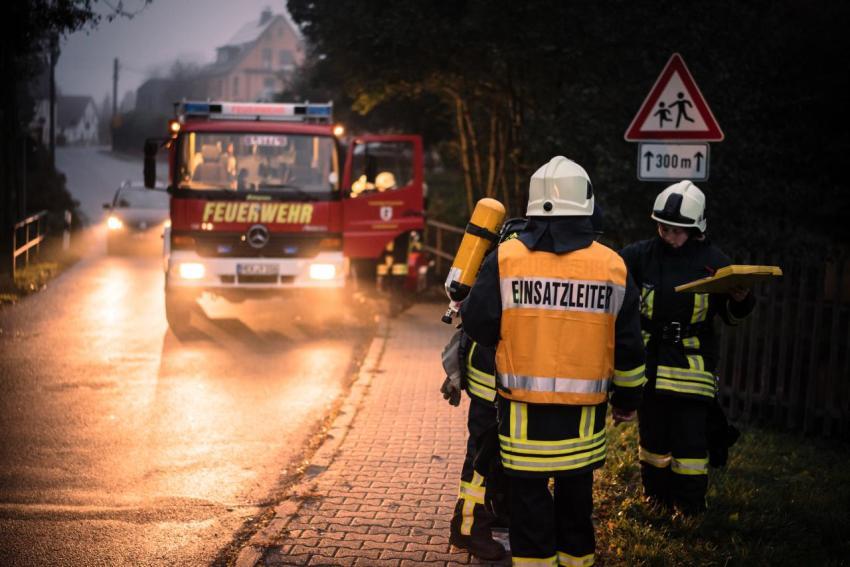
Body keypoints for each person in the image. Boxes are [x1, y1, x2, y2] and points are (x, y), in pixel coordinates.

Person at [461, 156, 646, 566]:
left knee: (528, 510)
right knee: (576, 508)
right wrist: (628, 400)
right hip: (583, 426)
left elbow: (477, 323)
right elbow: (630, 347)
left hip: (521, 423)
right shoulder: (613, 266)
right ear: (586, 205)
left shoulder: (506, 258)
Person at [619, 180, 755, 515]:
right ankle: (656, 500)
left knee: (691, 443)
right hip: (650, 366)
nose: (671, 236)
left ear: (696, 228)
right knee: (652, 439)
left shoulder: (714, 262)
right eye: (665, 228)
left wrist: (741, 299)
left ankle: (690, 506)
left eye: (679, 230)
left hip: (692, 366)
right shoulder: (638, 256)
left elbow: (732, 314)